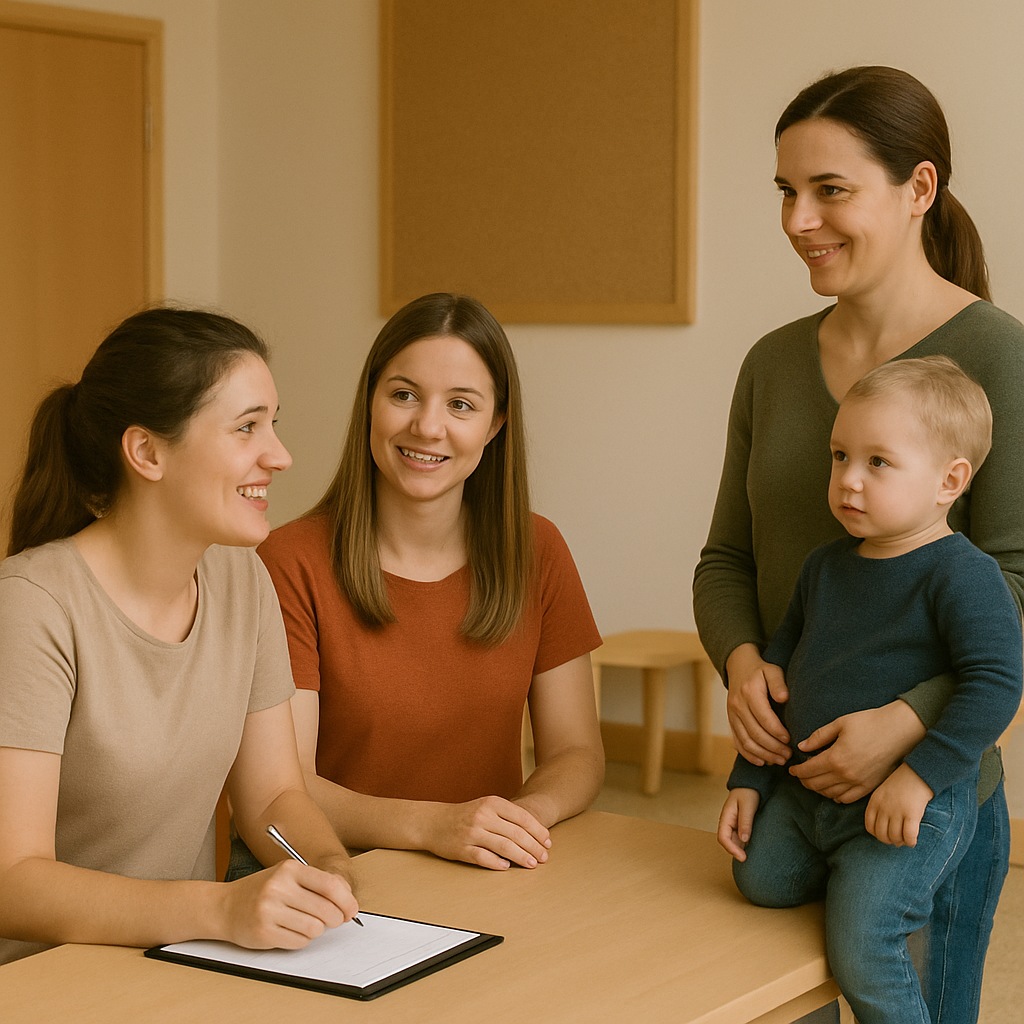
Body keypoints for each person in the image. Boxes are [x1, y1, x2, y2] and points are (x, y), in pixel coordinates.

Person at [692, 66, 1024, 1024]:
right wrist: (744, 661)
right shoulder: (771, 364)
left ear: (919, 190)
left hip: (925, 799)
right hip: (793, 788)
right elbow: (728, 561)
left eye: (830, 190)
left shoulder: (998, 356)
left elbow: (1017, 582)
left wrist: (908, 726)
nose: (799, 218)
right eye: (786, 192)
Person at [0, 308, 360, 966]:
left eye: (272, 424)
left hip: (178, 963)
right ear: (146, 452)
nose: (279, 455)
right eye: (247, 427)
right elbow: (13, 879)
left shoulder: (241, 578)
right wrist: (219, 908)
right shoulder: (33, 606)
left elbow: (273, 798)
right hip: (42, 983)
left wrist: (330, 870)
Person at [229, 292, 604, 877]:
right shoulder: (289, 561)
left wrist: (515, 822)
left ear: (495, 424)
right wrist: (436, 827)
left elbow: (577, 753)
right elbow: (288, 784)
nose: (428, 427)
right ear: (370, 404)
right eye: (403, 395)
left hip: (481, 870)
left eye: (461, 405)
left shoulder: (539, 549)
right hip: (332, 874)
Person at [717, 357, 1023, 1024]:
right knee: (758, 881)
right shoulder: (823, 566)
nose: (848, 480)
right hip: (808, 792)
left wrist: (918, 777)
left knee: (863, 944)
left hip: (914, 802)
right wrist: (750, 777)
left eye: (878, 462)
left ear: (950, 481)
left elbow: (997, 681)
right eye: (839, 456)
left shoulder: (962, 574)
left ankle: (874, 893)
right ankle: (851, 873)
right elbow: (782, 671)